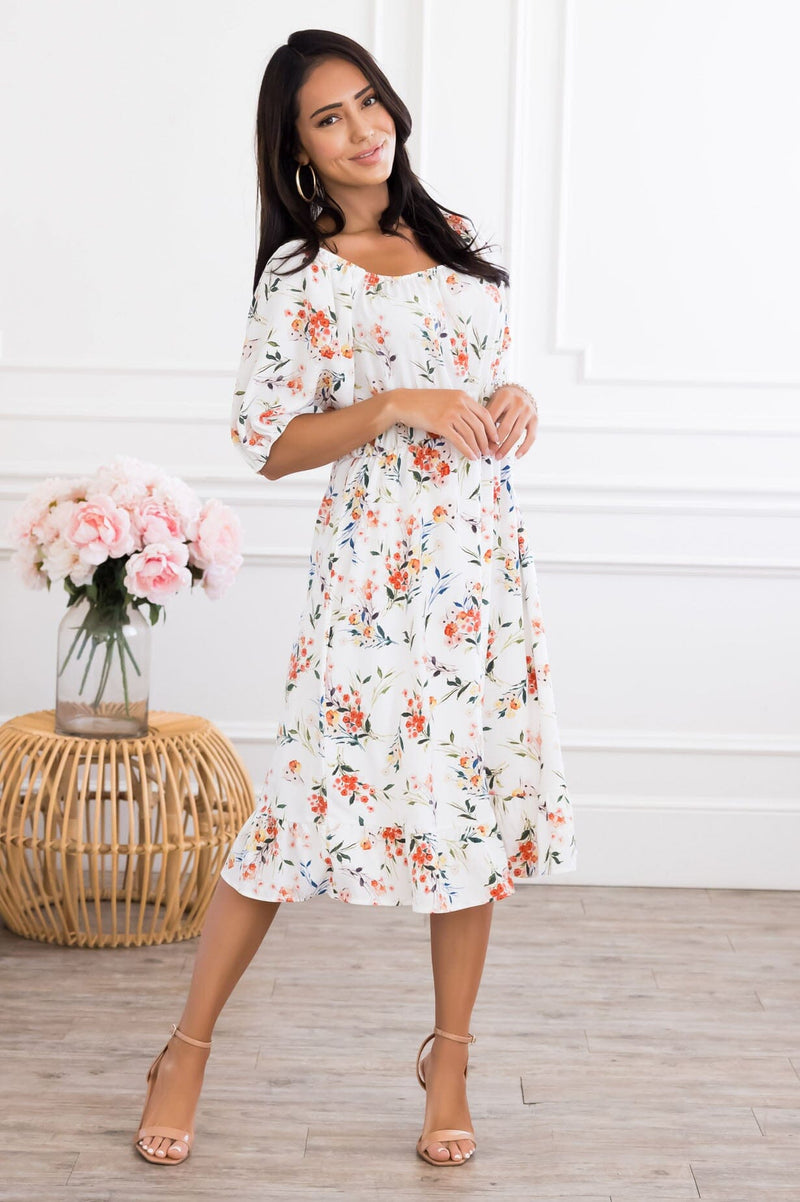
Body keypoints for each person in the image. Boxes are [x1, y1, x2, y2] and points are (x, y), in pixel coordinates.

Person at [134, 27, 577, 1170]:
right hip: (373, 574)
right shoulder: (304, 275)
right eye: (328, 118)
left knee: (466, 812)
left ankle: (450, 1060)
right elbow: (266, 441)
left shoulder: (455, 234)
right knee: (296, 808)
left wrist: (513, 399)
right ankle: (184, 1048)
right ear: (298, 150)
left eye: (367, 102)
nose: (360, 129)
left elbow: (478, 379)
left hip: (478, 568)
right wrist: (391, 406)